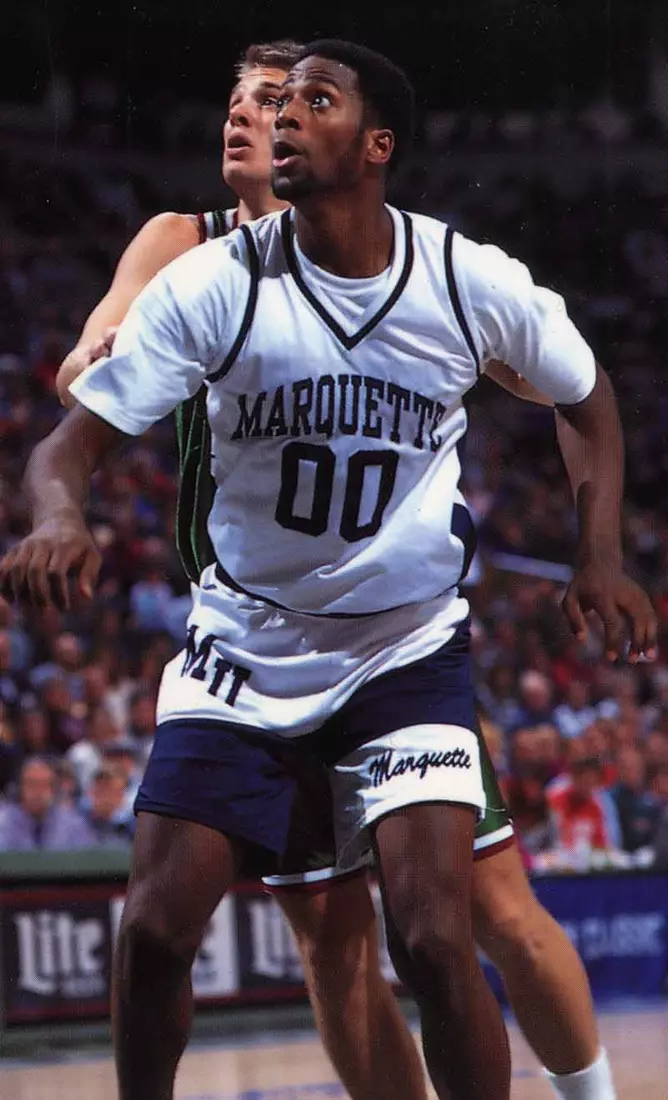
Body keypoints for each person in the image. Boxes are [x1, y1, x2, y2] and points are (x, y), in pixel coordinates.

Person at [5, 37, 657, 1100]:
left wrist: (598, 552)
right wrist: (60, 513)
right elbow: (68, 441)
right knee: (162, 929)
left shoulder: (456, 275)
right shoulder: (199, 268)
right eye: (264, 99)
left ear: (375, 144)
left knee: (447, 927)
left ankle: (586, 1088)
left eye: (307, 99)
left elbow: (581, 392)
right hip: (243, 642)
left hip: (400, 646)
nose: (273, 117)